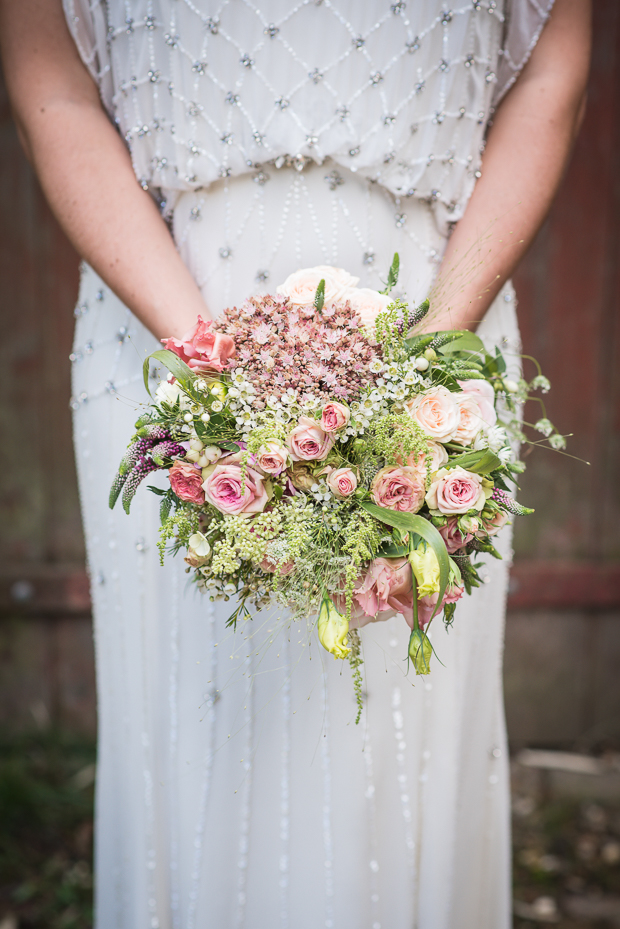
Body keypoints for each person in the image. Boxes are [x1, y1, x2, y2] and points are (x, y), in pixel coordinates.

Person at [0, 2, 590, 927]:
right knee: (195, 710)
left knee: (405, 712)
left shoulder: (434, 346)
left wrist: (425, 360)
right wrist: (210, 369)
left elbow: (553, 77)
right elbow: (52, 84)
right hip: (162, 316)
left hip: (437, 314)